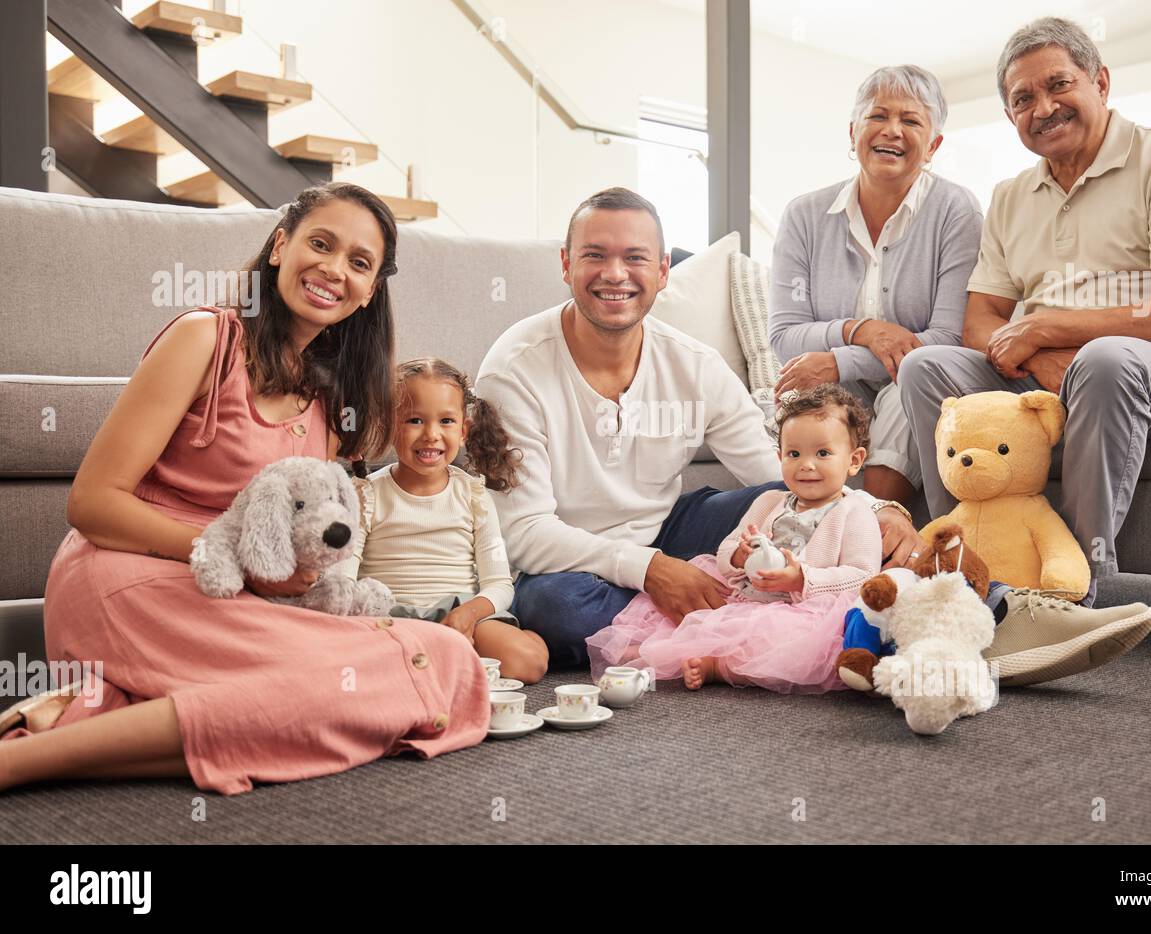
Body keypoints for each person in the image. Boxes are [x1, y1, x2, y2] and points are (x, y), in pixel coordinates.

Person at [0, 184, 486, 796]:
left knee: (444, 657)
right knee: (364, 680)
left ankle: (86, 732)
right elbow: (92, 503)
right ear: (281, 245)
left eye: (359, 263)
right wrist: (239, 562)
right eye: (321, 244)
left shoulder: (335, 401)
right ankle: (18, 765)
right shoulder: (206, 338)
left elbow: (301, 539)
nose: (335, 270)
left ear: (370, 293)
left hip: (238, 599)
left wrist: (303, 578)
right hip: (128, 574)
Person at [476, 187, 927, 667]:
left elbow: (770, 466)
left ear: (662, 271)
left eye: (635, 257)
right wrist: (651, 571)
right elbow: (524, 532)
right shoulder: (513, 369)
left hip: (670, 527)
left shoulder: (694, 363)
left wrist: (878, 508)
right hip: (570, 559)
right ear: (567, 265)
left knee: (822, 507)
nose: (615, 274)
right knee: (553, 609)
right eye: (595, 255)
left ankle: (971, 605)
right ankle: (756, 623)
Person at [898, 17, 1151, 620]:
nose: (1043, 107)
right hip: (1052, 369)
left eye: (1059, 85)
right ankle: (961, 575)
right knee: (928, 368)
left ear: (1100, 82)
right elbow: (980, 321)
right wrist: (1039, 354)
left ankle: (1072, 596)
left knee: (1105, 361)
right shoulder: (1009, 196)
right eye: (1022, 99)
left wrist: (1051, 329)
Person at [769, 64, 983, 505]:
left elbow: (948, 339)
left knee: (910, 379)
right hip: (838, 392)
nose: (892, 131)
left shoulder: (957, 211)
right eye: (878, 116)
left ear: (933, 145)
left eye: (910, 121)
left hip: (917, 387)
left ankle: (877, 531)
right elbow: (785, 337)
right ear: (853, 132)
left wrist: (839, 360)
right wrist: (859, 331)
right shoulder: (803, 215)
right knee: (791, 400)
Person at [587, 384, 882, 694]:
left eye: (822, 453)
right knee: (697, 608)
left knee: (780, 641)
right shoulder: (769, 501)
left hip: (804, 608)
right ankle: (656, 650)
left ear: (854, 460)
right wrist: (739, 556)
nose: (806, 465)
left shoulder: (856, 512)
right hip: (746, 596)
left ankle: (720, 666)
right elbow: (725, 549)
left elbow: (862, 576)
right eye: (794, 454)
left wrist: (801, 579)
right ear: (780, 456)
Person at [344, 358, 549, 683]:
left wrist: (470, 614)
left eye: (446, 421)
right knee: (357, 664)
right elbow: (344, 581)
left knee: (528, 662)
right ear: (387, 424)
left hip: (462, 614)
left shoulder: (474, 495)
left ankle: (454, 656)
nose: (431, 435)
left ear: (464, 431)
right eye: (414, 420)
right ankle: (446, 663)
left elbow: (499, 583)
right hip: (391, 618)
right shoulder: (366, 495)